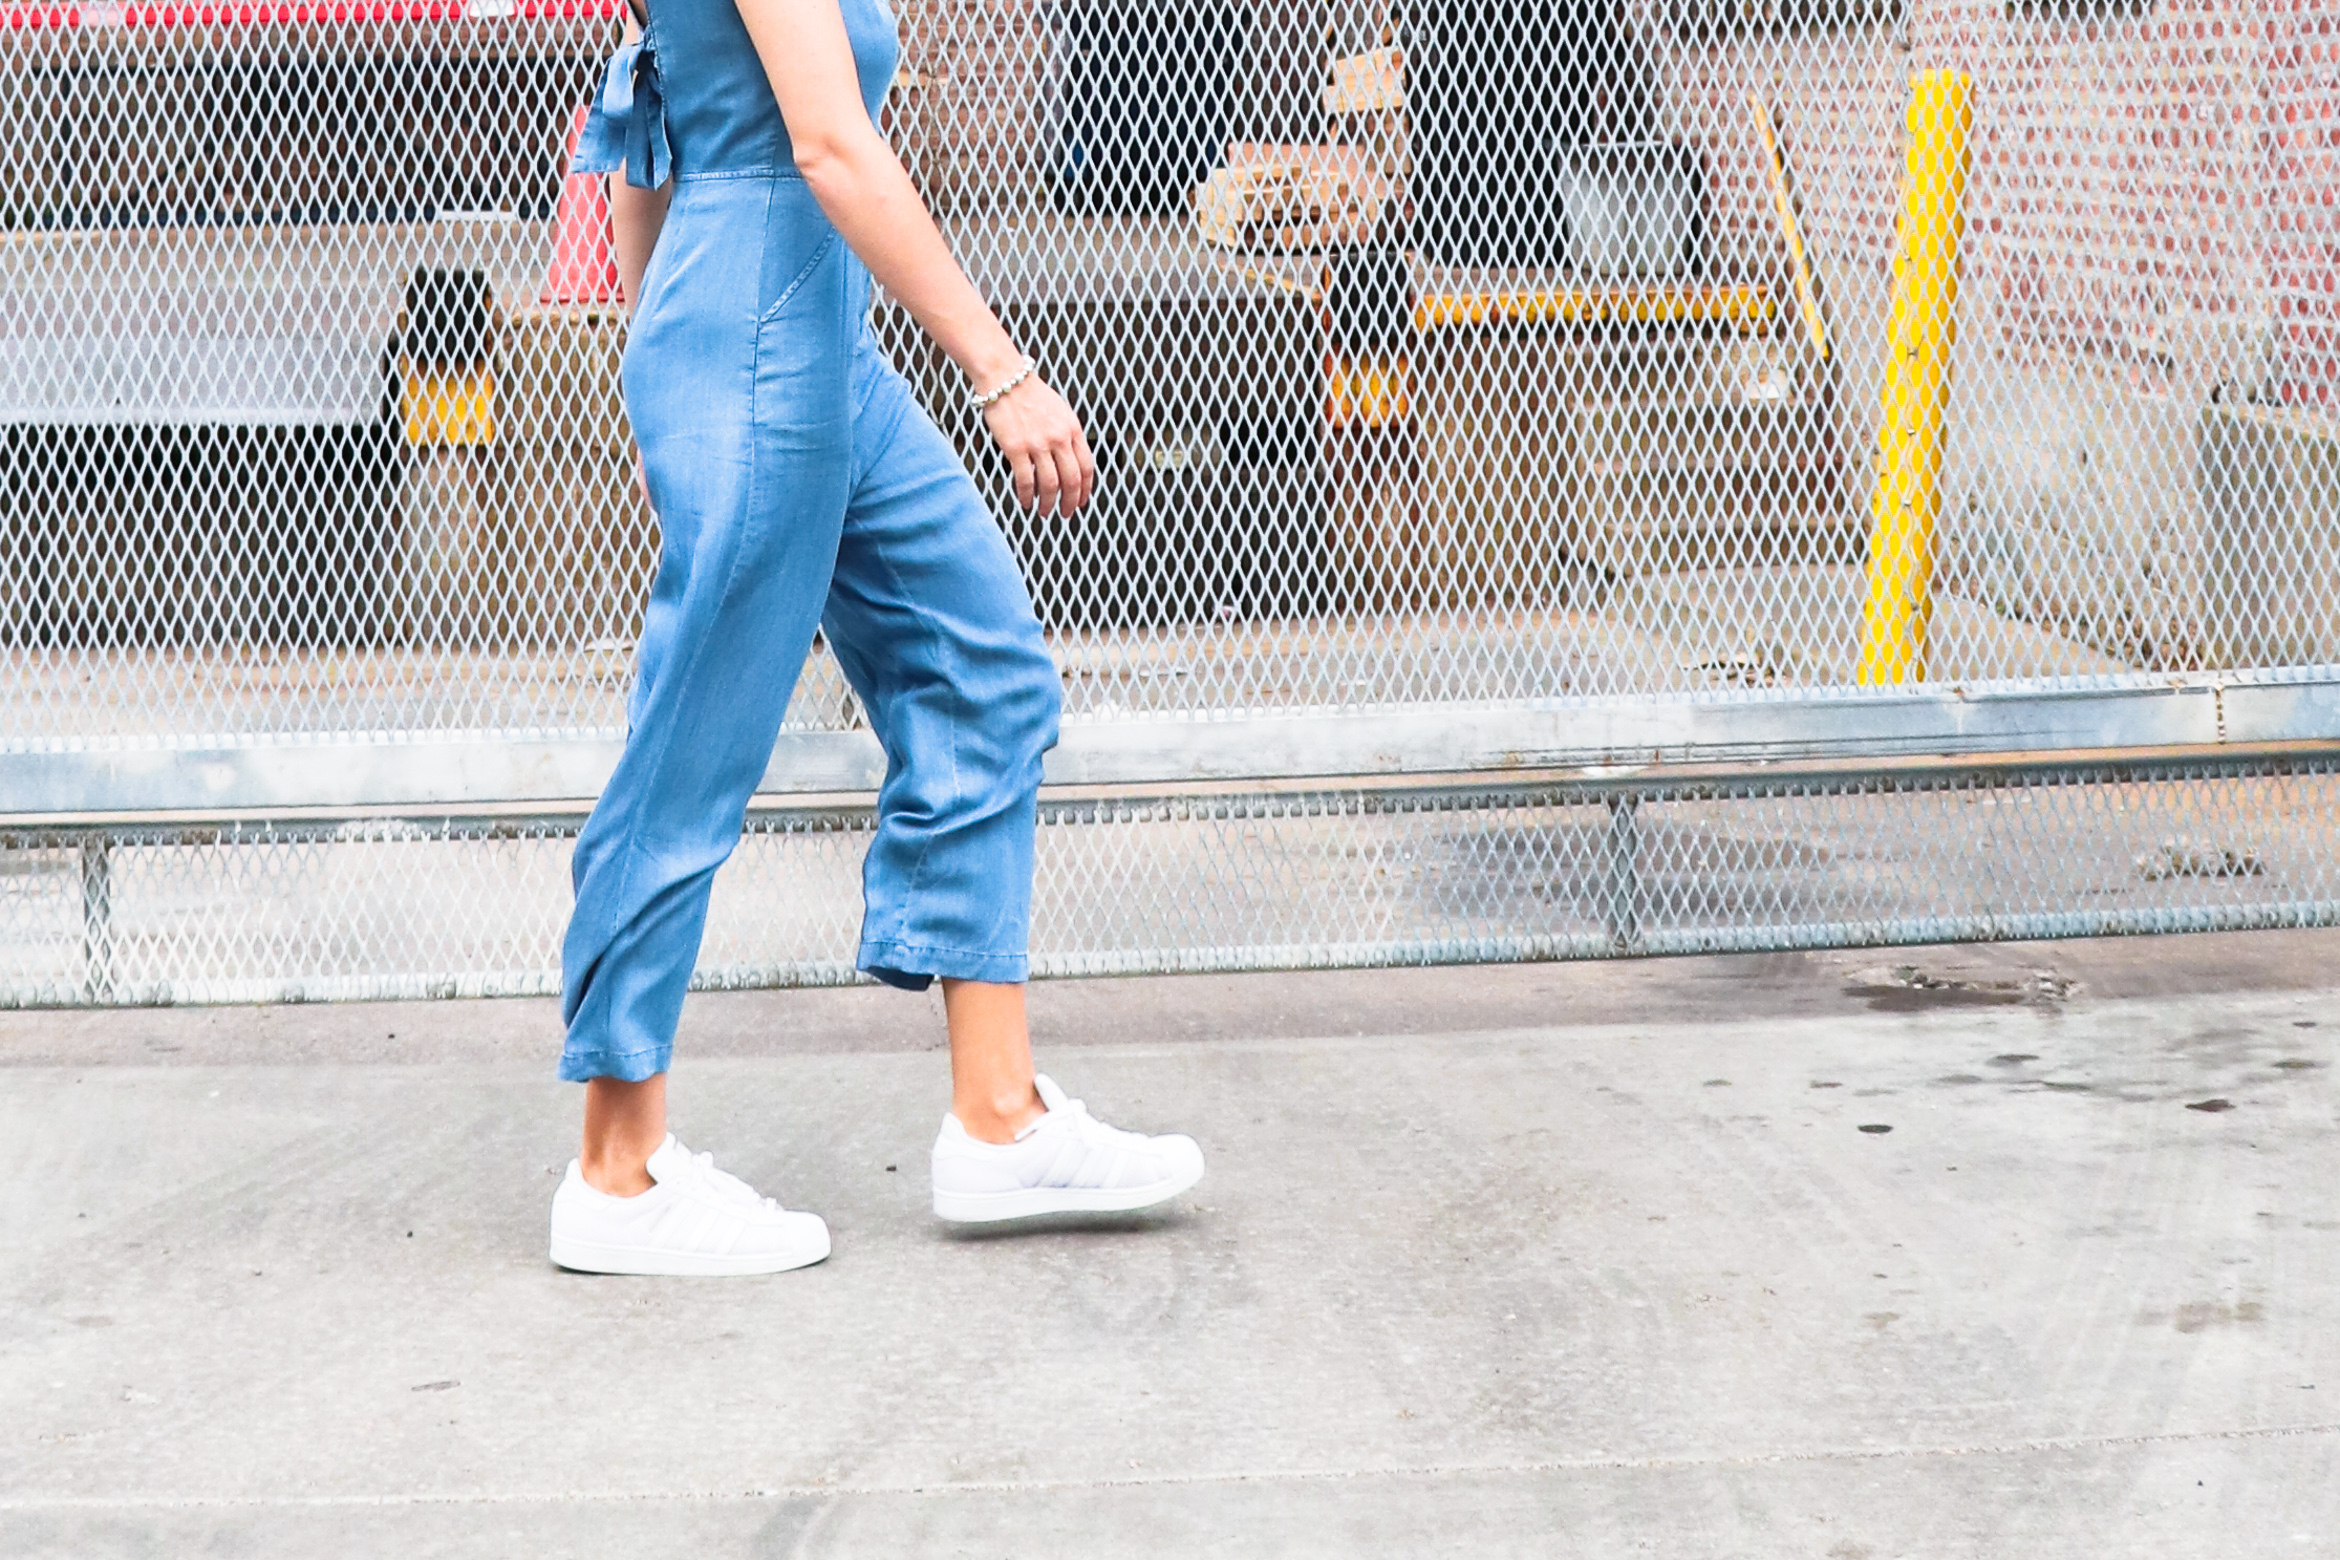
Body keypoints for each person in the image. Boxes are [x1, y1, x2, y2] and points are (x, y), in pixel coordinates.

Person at [546, 0, 1204, 1276]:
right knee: (693, 747)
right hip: (754, 338)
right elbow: (831, 146)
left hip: (806, 340)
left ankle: (999, 1120)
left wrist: (657, 354)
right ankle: (617, 1172)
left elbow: (648, 100)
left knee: (983, 667)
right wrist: (1001, 370)